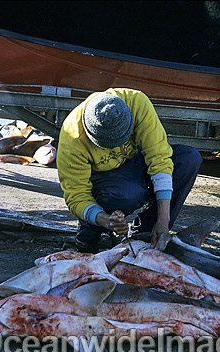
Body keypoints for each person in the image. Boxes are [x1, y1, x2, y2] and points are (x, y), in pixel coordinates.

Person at [56, 87, 202, 252]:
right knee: (127, 195)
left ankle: (147, 231)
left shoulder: (136, 102)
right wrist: (105, 219)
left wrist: (163, 221)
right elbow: (76, 195)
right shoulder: (72, 139)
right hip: (104, 175)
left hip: (135, 158)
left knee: (189, 158)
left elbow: (159, 159)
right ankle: (90, 231)